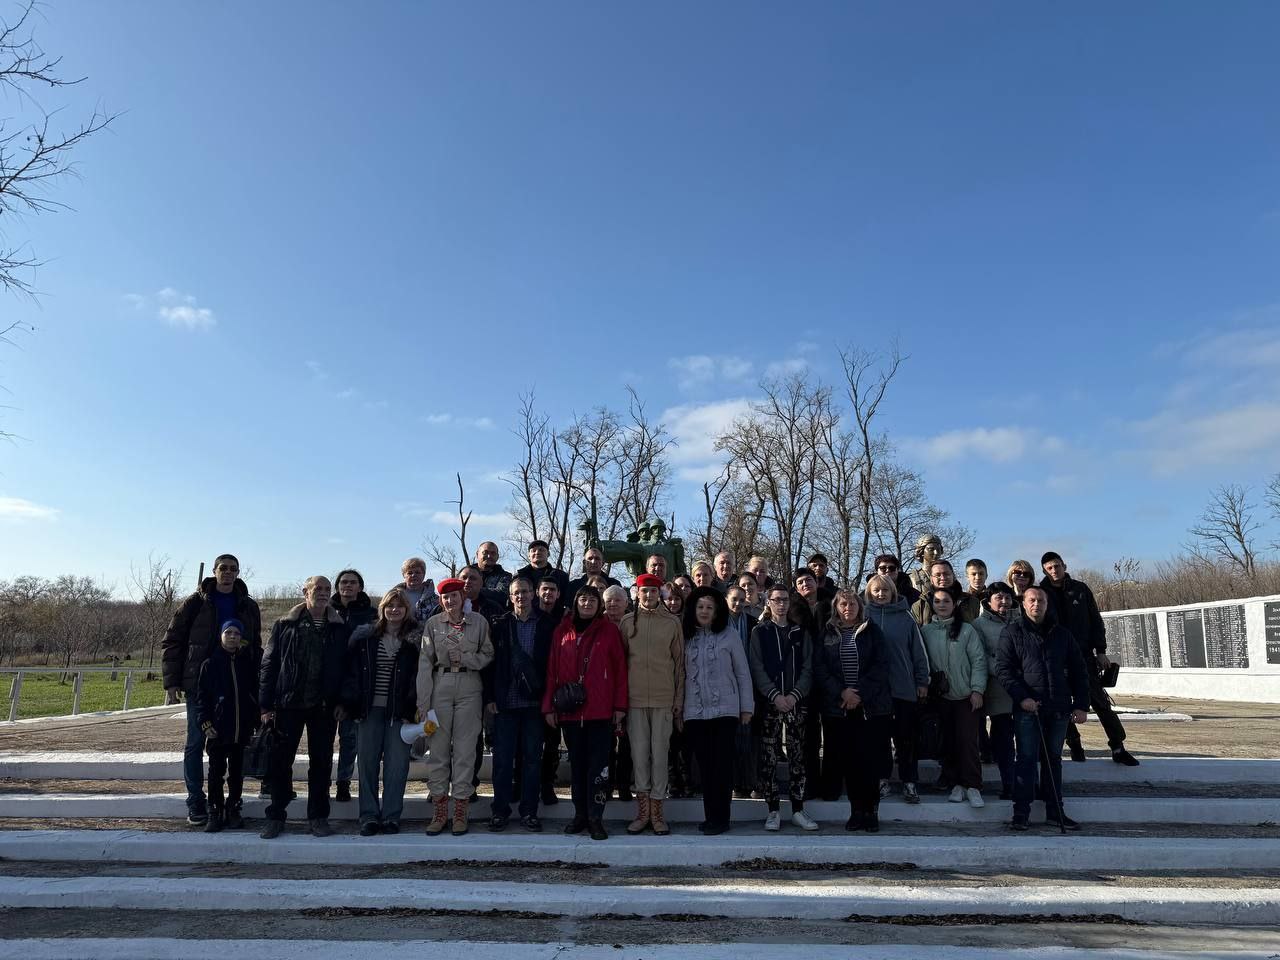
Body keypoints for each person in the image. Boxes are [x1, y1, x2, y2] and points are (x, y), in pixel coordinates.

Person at [161, 553, 262, 826]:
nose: (227, 573)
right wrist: (172, 682)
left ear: (238, 573)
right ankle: (196, 800)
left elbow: (256, 646)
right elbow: (173, 641)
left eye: (233, 569)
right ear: (215, 572)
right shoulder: (195, 603)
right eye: (223, 568)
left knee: (237, 743)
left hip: (238, 684)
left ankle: (232, 803)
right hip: (201, 681)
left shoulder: (248, 606)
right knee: (195, 741)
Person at [258, 575, 352, 839]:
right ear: (305, 592)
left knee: (321, 763)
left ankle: (318, 816)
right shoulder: (285, 625)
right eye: (317, 589)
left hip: (324, 707)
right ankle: (276, 815)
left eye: (326, 589)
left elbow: (347, 669)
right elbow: (269, 665)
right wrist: (265, 705)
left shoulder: (339, 628)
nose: (322, 593)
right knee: (280, 762)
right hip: (288, 704)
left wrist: (343, 701)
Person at [996, 584, 1090, 831]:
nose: (1036, 604)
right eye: (1032, 600)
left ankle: (1055, 811)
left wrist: (1081, 705)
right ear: (1023, 604)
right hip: (1029, 708)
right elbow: (1004, 671)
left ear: (1047, 605)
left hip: (1058, 708)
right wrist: (1022, 698)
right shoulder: (1012, 633)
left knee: (1053, 760)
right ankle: (1021, 813)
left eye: (1041, 600)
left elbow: (1080, 672)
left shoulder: (1062, 634)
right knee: (1026, 760)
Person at [542, 585, 628, 841]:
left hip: (600, 712)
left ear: (599, 604)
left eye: (592, 599)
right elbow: (551, 671)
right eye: (583, 598)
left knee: (599, 768)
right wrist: (549, 706)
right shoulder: (562, 632)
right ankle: (580, 814)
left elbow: (620, 671)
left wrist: (620, 706)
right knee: (577, 767)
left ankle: (596, 817)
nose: (587, 603)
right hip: (570, 712)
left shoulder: (609, 631)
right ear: (575, 602)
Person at [1041, 552, 1138, 766]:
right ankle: (1074, 744)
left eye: (1057, 566)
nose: (1054, 571)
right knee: (1061, 705)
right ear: (1044, 571)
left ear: (1064, 565)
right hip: (1056, 659)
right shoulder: (1041, 592)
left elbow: (1095, 620)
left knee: (1101, 703)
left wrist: (1100, 651)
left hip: (1083, 657)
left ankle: (1118, 746)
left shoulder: (1080, 589)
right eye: (1049, 568)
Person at [418, 577, 494, 835]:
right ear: (441, 600)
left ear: (463, 597)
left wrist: (468, 658)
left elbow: (488, 654)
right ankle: (440, 809)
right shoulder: (433, 624)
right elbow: (425, 663)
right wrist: (423, 702)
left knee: (465, 750)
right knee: (438, 750)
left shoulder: (479, 622)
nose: (450, 601)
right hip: (441, 684)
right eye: (445, 597)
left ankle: (460, 809)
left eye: (454, 595)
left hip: (469, 685)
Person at [814, 590, 890, 831]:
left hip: (869, 707)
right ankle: (856, 811)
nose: (848, 608)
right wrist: (842, 692)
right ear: (836, 607)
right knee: (849, 763)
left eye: (853, 604)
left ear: (860, 606)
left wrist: (859, 694)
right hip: (838, 709)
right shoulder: (826, 633)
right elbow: (820, 668)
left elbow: (881, 665)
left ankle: (872, 811)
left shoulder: (872, 630)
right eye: (843, 604)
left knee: (869, 761)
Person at [347, 588, 421, 836]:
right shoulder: (365, 637)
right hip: (368, 711)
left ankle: (391, 816)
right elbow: (354, 674)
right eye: (390, 605)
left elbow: (417, 678)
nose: (394, 610)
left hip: (399, 713)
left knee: (397, 766)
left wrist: (412, 708)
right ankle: (368, 815)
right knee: (367, 765)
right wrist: (352, 704)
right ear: (382, 609)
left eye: (399, 606)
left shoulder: (415, 641)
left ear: (406, 609)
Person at [483, 577, 554, 833]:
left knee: (533, 760)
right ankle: (500, 811)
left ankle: (529, 812)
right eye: (516, 593)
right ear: (510, 597)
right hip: (505, 703)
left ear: (533, 594)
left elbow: (552, 666)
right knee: (502, 761)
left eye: (525, 591)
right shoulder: (500, 625)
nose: (521, 596)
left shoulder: (547, 624)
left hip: (534, 704)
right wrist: (490, 697)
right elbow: (490, 664)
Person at [682, 586, 754, 835]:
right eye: (700, 607)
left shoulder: (729, 635)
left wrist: (746, 707)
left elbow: (742, 672)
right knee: (705, 767)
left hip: (725, 710)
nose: (704, 611)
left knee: (722, 767)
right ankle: (709, 816)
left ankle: (722, 818)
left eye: (709, 607)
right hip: (695, 712)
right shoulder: (686, 636)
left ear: (716, 611)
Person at [749, 585, 819, 831]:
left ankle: (798, 809)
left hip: (797, 704)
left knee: (798, 757)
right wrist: (775, 695)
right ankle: (773, 810)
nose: (781, 604)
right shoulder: (760, 632)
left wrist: (794, 695)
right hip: (769, 704)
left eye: (785, 600)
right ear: (768, 602)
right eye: (776, 599)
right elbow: (756, 667)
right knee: (768, 758)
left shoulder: (801, 633)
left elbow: (809, 667)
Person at [620, 573, 684, 835]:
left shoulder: (671, 623)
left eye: (653, 592)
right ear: (637, 593)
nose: (648, 596)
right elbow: (620, 663)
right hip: (635, 701)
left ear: (661, 594)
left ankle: (658, 813)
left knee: (659, 756)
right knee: (639, 756)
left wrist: (678, 699)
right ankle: (642, 811)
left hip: (663, 700)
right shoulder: (626, 622)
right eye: (644, 591)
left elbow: (680, 665)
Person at [920, 587, 988, 808]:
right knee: (947, 741)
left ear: (954, 604)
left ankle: (973, 785)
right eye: (937, 601)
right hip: (941, 697)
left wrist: (977, 690)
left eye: (946, 601)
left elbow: (979, 661)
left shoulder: (967, 630)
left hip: (966, 696)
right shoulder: (926, 631)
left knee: (968, 741)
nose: (941, 605)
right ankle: (955, 783)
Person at [864, 573, 930, 803]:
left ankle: (909, 782)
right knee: (879, 738)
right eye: (876, 591)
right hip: (875, 691)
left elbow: (918, 652)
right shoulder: (864, 616)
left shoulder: (906, 617)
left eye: (885, 590)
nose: (881, 594)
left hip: (903, 687)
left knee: (906, 738)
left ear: (893, 592)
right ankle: (882, 779)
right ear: (869, 593)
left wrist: (922, 681)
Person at [194, 619, 259, 833]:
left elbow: (253, 694)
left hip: (241, 729)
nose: (232, 637)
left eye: (236, 634)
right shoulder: (210, 664)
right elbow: (201, 698)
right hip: (218, 729)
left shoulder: (246, 663)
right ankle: (215, 809)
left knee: (236, 773)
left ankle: (233, 808)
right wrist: (205, 722)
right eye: (228, 633)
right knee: (216, 772)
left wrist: (255, 721)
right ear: (221, 635)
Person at [332, 568, 375, 804]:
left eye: (353, 582)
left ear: (360, 587)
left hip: (356, 684)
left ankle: (343, 782)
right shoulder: (326, 611)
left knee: (349, 739)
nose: (347, 585)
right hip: (327, 685)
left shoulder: (371, 614)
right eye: (343, 582)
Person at [974, 582, 1017, 799]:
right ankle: (1008, 783)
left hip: (1024, 687)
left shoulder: (1021, 620)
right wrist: (1006, 671)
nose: (1003, 601)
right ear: (988, 601)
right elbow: (981, 656)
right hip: (997, 688)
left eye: (1007, 597)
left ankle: (1028, 783)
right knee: (1003, 738)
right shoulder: (978, 625)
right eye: (998, 597)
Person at [725, 584, 760, 798]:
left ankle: (750, 781)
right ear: (726, 599)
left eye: (741, 599)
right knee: (731, 735)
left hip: (749, 682)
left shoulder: (753, 623)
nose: (737, 603)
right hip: (727, 683)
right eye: (734, 599)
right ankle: (735, 782)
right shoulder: (719, 623)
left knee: (748, 735)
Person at [602, 583, 634, 802]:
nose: (613, 604)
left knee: (628, 744)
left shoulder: (632, 623)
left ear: (626, 603)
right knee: (605, 744)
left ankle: (623, 785)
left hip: (631, 688)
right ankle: (606, 785)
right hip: (603, 691)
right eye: (609, 600)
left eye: (618, 600)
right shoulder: (597, 623)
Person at [912, 560, 980, 626]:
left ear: (953, 576)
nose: (942, 578)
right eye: (938, 575)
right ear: (931, 579)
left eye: (946, 574)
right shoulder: (920, 606)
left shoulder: (972, 602)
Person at [398, 557, 440, 623]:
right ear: (403, 575)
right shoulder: (395, 596)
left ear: (424, 574)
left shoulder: (435, 599)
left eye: (417, 572)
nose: (413, 575)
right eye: (409, 573)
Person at [909, 534, 945, 600]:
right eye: (931, 549)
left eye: (938, 549)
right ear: (922, 552)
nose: (936, 552)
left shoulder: (947, 576)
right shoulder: (911, 577)